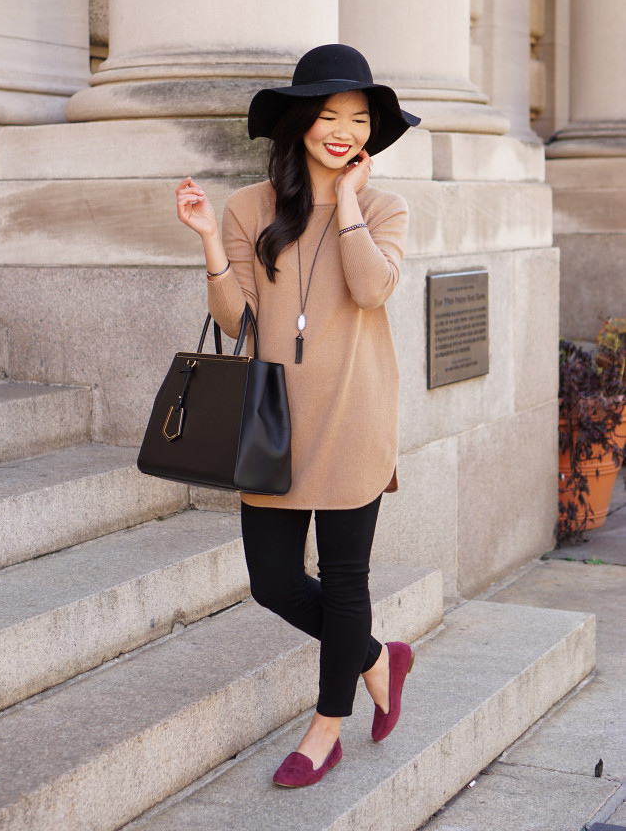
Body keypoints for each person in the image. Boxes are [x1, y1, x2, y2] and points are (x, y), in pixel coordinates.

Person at [175, 43, 420, 787]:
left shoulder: (384, 205)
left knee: (346, 580)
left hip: (354, 410)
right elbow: (236, 316)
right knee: (273, 581)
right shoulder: (250, 206)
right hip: (272, 421)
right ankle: (377, 654)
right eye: (327, 115)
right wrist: (211, 242)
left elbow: (373, 290)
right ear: (300, 123)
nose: (342, 130)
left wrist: (345, 205)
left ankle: (325, 729)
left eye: (357, 118)